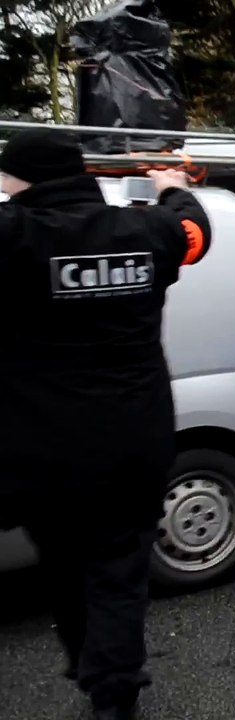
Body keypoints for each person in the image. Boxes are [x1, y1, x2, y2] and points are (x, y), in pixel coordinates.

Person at [0, 128, 212, 719]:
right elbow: (197, 232)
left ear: (22, 180)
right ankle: (112, 687)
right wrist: (170, 187)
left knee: (64, 561)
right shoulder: (145, 231)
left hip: (41, 447)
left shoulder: (15, 235)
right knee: (119, 569)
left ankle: (87, 658)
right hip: (132, 439)